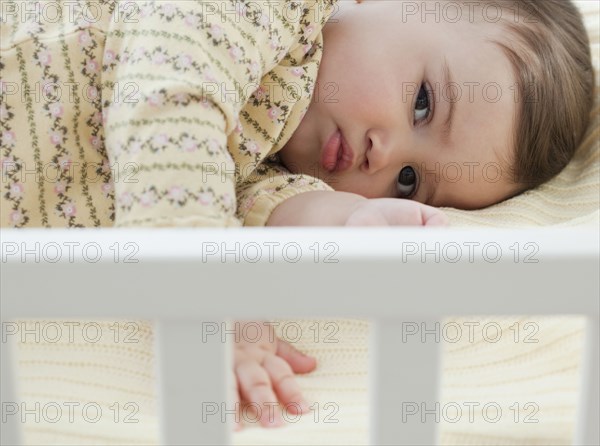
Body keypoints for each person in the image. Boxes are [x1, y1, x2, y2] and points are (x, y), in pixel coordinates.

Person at [1, 0, 594, 430]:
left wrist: (348, 224)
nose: (381, 156)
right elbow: (170, 93)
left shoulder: (265, 156)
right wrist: (204, 292)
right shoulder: (272, 14)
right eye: (421, 103)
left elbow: (262, 205)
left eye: (409, 182)